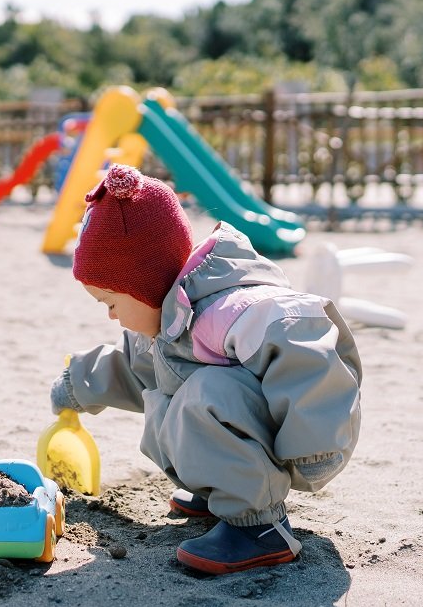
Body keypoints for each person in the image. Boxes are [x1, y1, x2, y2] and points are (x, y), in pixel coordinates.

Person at [50, 164, 362, 574]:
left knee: (205, 395)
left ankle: (260, 527)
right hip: (253, 429)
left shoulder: (229, 311)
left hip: (308, 436)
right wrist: (77, 385)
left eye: (111, 302)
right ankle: (223, 490)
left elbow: (305, 352)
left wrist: (315, 445)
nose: (110, 315)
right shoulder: (167, 320)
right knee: (166, 392)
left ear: (144, 285)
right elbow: (133, 365)